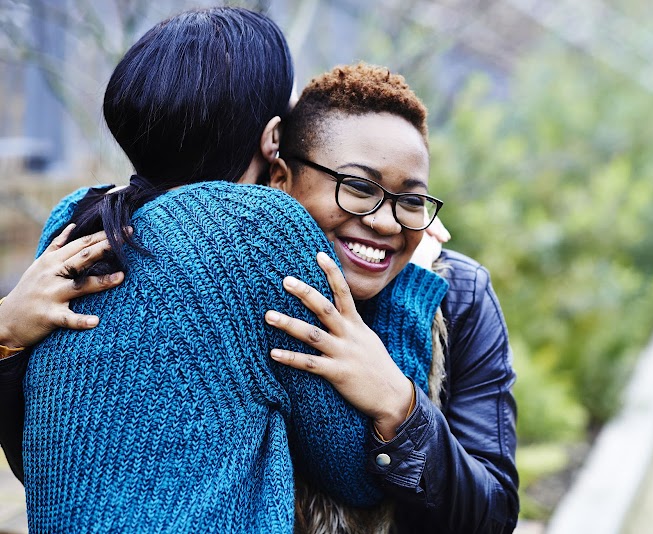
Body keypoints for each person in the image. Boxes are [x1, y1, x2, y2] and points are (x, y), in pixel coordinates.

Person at [0, 26, 518, 534]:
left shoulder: (80, 217)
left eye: (411, 200)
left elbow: (52, 465)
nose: (386, 222)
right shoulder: (260, 233)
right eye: (358, 188)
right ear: (277, 162)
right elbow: (358, 479)